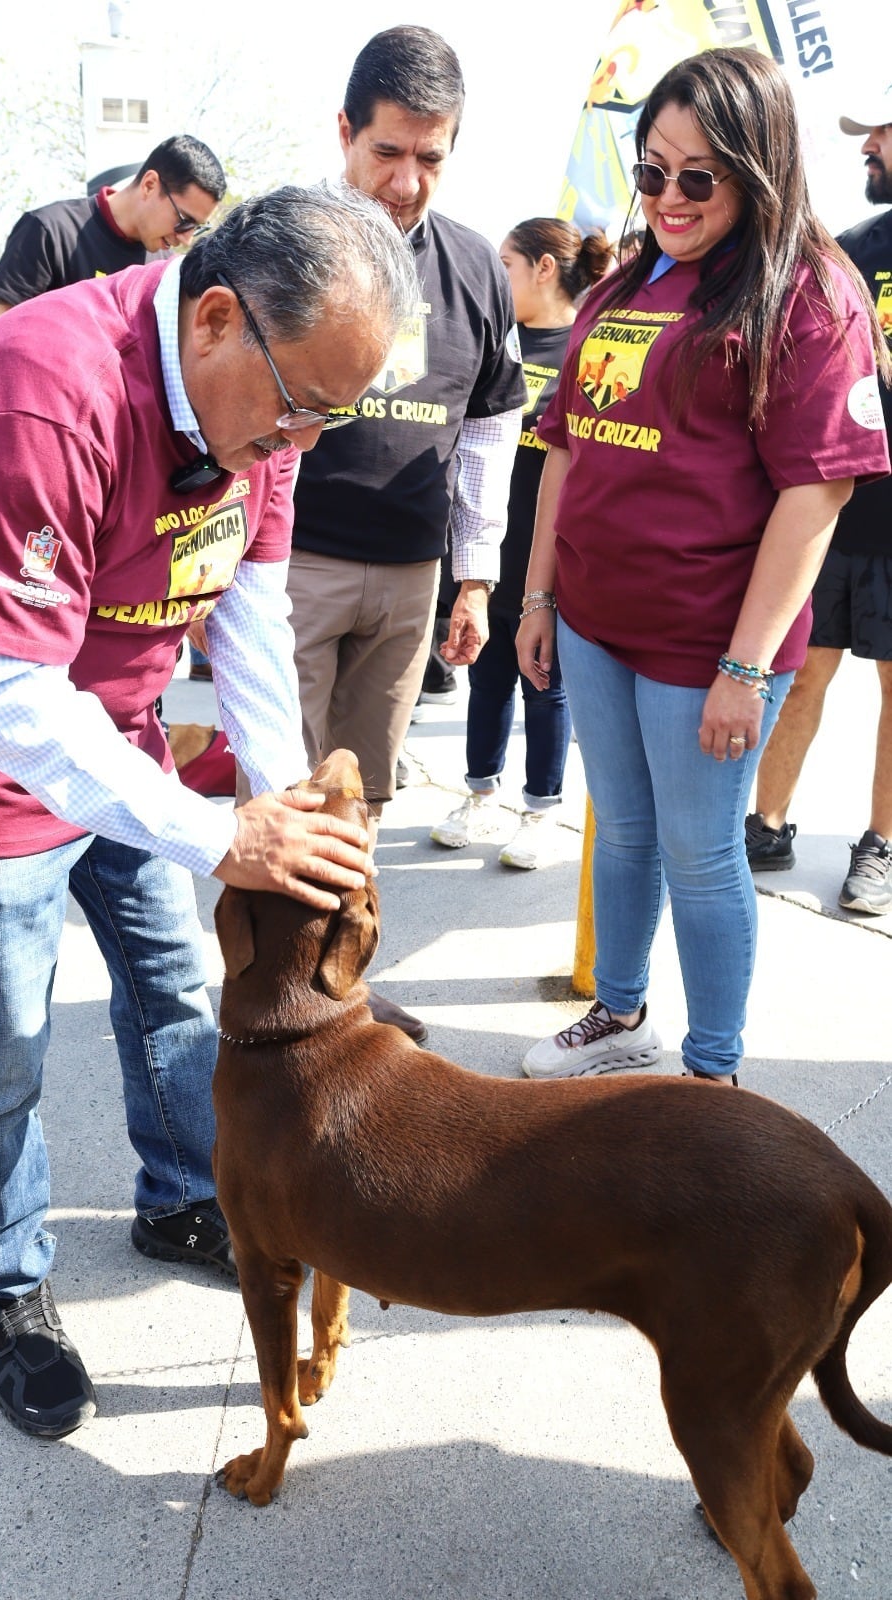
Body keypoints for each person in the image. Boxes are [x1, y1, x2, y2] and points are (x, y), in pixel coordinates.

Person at [0, 183, 418, 1440]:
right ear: (214, 318)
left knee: (171, 980)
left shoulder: (260, 411)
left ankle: (178, 1194)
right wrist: (219, 832)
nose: (305, 443)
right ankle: (4, 1272)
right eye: (301, 407)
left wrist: (275, 801)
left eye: (333, 415)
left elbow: (252, 606)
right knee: (0, 1041)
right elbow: (10, 699)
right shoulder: (39, 396)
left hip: (120, 723)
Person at [515, 48, 890, 1085]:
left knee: (702, 852)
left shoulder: (809, 295)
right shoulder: (628, 281)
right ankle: (621, 1012)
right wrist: (538, 595)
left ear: (758, 167)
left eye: (697, 177)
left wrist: (742, 665)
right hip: (593, 617)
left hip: (708, 642)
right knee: (624, 836)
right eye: (650, 172)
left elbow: (817, 492)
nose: (668, 198)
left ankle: (713, 1072)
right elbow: (568, 444)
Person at [287, 26, 527, 1040]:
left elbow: (486, 432)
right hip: (287, 565)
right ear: (344, 133)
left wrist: (473, 579)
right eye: (387, 152)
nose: (405, 181)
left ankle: (336, 989)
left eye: (430, 158)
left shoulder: (475, 266)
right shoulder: (283, 244)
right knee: (282, 797)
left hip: (412, 573)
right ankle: (269, 994)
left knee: (366, 799)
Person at [745, 87, 892, 915]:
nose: (867, 145)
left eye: (880, 132)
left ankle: (881, 844)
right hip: (831, 514)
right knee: (799, 676)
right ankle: (767, 823)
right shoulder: (847, 253)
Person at [431, 218, 612, 868]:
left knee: (545, 686)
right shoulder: (493, 343)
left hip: (553, 556)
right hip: (490, 551)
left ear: (542, 268)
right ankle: (479, 795)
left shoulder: (588, 345)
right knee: (486, 679)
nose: (494, 278)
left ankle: (540, 808)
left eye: (505, 264)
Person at [0, 133, 225, 325]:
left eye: (197, 228)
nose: (186, 238)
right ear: (149, 185)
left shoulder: (165, 270)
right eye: (184, 220)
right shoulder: (50, 231)